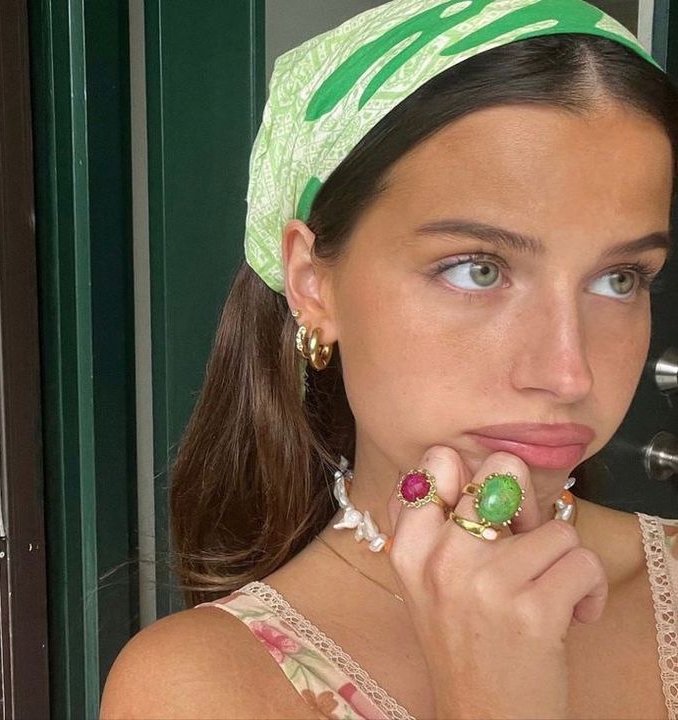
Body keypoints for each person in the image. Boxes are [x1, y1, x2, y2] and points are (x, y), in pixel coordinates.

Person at [100, 0, 678, 717]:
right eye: (477, 269)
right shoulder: (202, 688)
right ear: (314, 285)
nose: (569, 373)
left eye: (619, 279)